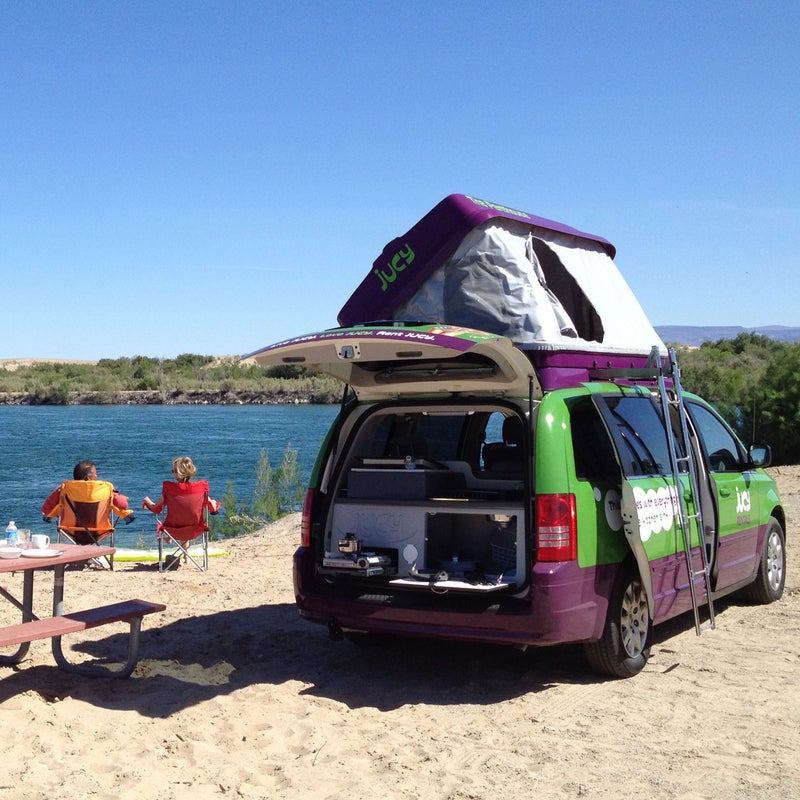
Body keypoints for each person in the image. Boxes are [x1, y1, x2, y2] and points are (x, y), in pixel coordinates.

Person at [41, 460, 130, 518]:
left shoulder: (64, 489)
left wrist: (59, 513)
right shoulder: (105, 489)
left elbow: (46, 509)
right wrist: (123, 498)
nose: (97, 476)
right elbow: (123, 505)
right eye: (95, 473)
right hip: (99, 530)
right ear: (89, 478)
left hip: (69, 529)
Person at [142, 456, 221, 514]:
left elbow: (156, 509)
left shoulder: (170, 489)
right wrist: (213, 502)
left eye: (173, 471)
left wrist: (146, 500)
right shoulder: (200, 488)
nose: (173, 473)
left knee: (162, 532)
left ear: (178, 473)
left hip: (172, 529)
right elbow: (213, 509)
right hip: (196, 529)